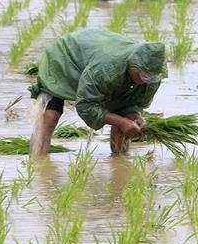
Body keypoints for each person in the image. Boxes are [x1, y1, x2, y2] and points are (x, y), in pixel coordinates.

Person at [28, 28, 167, 157]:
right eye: (143, 75)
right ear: (133, 65)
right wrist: (121, 121)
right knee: (51, 114)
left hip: (96, 56)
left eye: (151, 77)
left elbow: (134, 104)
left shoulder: (153, 77)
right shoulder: (106, 69)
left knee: (127, 120)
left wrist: (135, 117)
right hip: (66, 57)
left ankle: (120, 164)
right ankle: (38, 166)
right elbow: (85, 105)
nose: (146, 80)